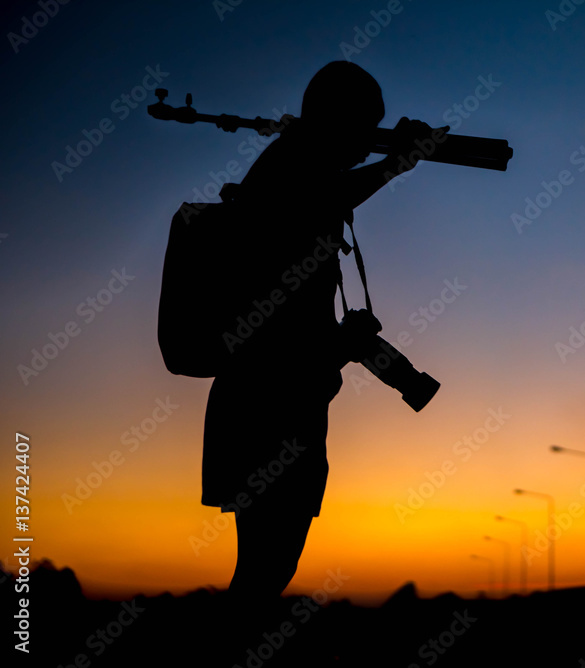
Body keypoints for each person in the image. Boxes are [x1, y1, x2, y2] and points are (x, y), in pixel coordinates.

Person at [200, 61, 446, 610]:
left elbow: (287, 319)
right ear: (340, 121)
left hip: (277, 405)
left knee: (268, 570)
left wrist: (344, 340)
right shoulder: (293, 173)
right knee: (264, 573)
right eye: (364, 129)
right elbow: (275, 340)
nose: (365, 146)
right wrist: (399, 161)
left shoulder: (297, 176)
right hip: (268, 409)